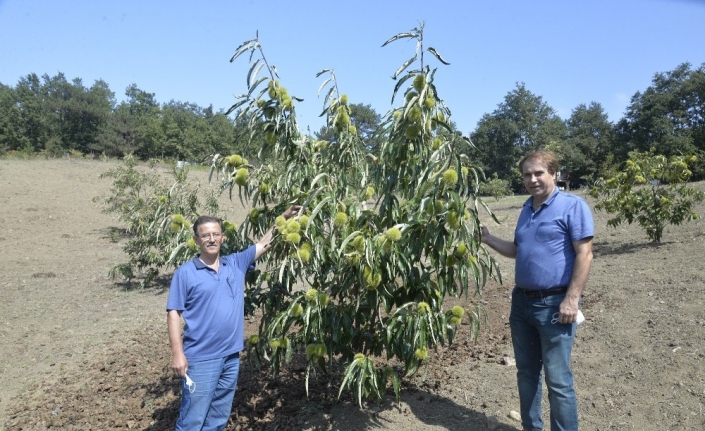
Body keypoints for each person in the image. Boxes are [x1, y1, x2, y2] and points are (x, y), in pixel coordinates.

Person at [481, 150, 593, 431]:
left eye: (538, 173)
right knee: (526, 374)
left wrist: (572, 299)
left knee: (558, 380)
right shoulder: (526, 208)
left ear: (554, 174)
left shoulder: (572, 206)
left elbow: (585, 254)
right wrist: (488, 239)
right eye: (527, 175)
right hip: (522, 303)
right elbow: (518, 251)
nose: (532, 179)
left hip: (555, 304)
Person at [167, 205, 300, 431]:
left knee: (218, 418)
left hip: (230, 356)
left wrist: (283, 219)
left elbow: (263, 244)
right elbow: (173, 313)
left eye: (216, 234)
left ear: (223, 237)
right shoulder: (186, 273)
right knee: (193, 420)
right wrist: (178, 354)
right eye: (206, 235)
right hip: (201, 359)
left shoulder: (235, 263)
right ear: (196, 240)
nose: (211, 239)